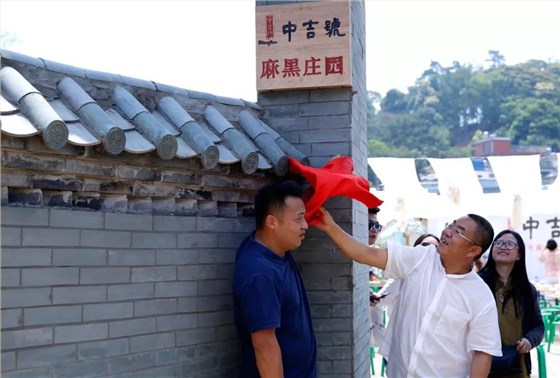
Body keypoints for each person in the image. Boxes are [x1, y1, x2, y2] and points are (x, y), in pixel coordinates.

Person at [313, 209, 501, 377]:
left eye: (458, 231)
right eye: (450, 225)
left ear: (473, 250)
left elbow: (483, 352)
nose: (447, 232)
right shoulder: (419, 258)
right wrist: (331, 227)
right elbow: (365, 254)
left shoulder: (481, 296)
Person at [233, 180, 316, 378]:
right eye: (298, 219)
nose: (305, 225)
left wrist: (327, 178)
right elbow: (264, 348)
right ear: (272, 222)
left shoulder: (275, 249)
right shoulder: (259, 272)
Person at [478, 230, 544, 377]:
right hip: (479, 363)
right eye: (499, 243)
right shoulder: (477, 283)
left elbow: (538, 326)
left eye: (509, 244)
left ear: (519, 254)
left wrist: (529, 340)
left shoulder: (527, 289)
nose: (503, 247)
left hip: (515, 364)